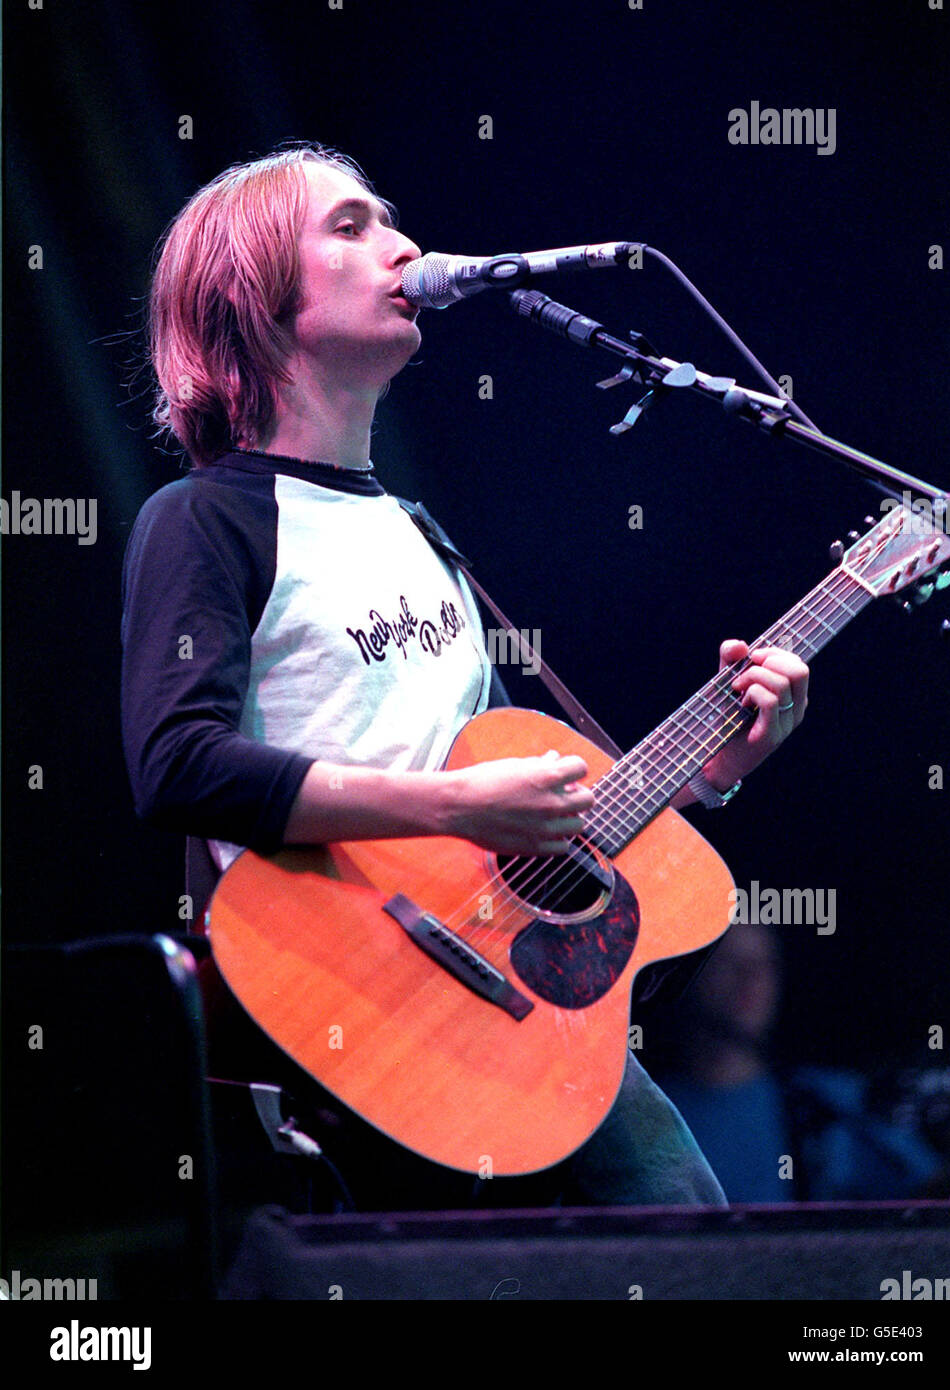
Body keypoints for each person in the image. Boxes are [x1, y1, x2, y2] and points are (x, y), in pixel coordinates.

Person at [121, 142, 810, 1212]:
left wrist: (702, 774)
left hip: (503, 1007)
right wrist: (454, 807)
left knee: (698, 1250)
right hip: (336, 996)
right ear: (247, 297)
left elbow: (517, 827)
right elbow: (178, 765)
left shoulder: (416, 534)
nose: (400, 244)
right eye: (349, 227)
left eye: (390, 218)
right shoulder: (206, 518)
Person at [638, 920, 940, 1202]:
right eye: (729, 963)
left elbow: (934, 1196)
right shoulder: (639, 1110)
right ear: (688, 977)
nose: (751, 980)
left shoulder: (830, 1100)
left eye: (765, 965)